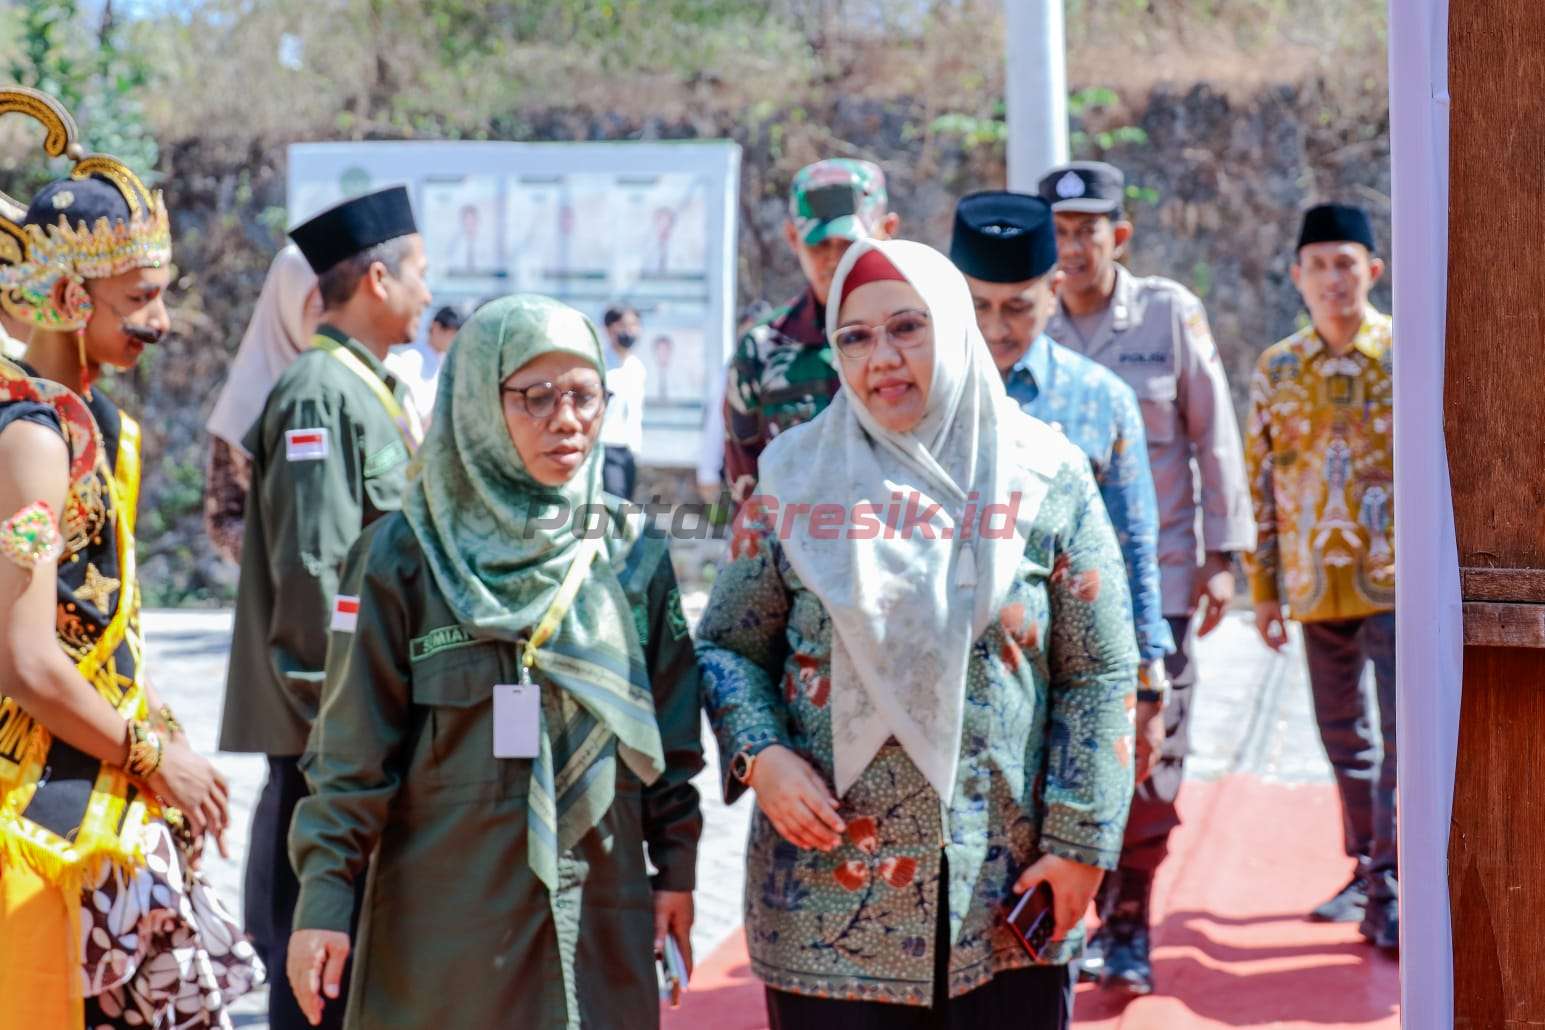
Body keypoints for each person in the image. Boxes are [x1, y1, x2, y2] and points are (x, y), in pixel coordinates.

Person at [699, 239, 1138, 1028]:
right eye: (854, 338)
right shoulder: (792, 479)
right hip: (825, 901)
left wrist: (1079, 843)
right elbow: (727, 644)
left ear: (953, 330)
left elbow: (1099, 670)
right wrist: (760, 756)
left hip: (1004, 885)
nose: (882, 359)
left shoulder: (1043, 474)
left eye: (908, 328)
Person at [286, 295, 704, 1029]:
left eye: (584, 395)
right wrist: (324, 900)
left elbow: (670, 733)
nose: (567, 420)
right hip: (449, 934)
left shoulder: (628, 549)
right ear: (478, 401)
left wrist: (675, 870)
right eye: (534, 398)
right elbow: (350, 751)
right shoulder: (403, 555)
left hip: (598, 910)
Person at [0, 85, 261, 1027]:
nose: (160, 321)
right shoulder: (30, 440)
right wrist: (158, 757)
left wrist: (159, 734)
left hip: (105, 779)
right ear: (68, 295)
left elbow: (95, 620)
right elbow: (26, 659)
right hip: (41, 806)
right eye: (139, 298)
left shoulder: (99, 424)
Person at [1038, 160, 1254, 994]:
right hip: (1055, 589)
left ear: (1116, 236)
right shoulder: (1029, 323)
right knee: (1059, 751)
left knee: (1151, 757)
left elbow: (1214, 435)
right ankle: (1072, 917)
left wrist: (1223, 555)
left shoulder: (1166, 313)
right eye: (1057, 232)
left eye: (1086, 231)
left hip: (1155, 582)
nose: (1071, 248)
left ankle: (1128, 926)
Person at [218, 186, 431, 1030]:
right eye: (418, 274)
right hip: (323, 736)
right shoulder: (318, 390)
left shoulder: (363, 386)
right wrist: (339, 726)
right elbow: (316, 575)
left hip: (345, 734)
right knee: (312, 968)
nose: (426, 294)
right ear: (376, 280)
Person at [950, 189, 1175, 791]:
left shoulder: (1102, 401)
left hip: (1077, 674)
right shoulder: (916, 398)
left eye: (1017, 307)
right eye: (978, 306)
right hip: (947, 683)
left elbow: (1135, 547)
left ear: (1053, 290)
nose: (996, 329)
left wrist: (1148, 682)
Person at [1246, 203, 1396, 951]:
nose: (1333, 279)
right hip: (1313, 581)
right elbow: (1261, 481)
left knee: (1403, 738)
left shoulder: (1409, 353)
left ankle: (1395, 886)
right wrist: (1264, 588)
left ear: (1372, 270)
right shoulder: (1277, 368)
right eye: (1318, 266)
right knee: (1343, 736)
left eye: (1346, 263)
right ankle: (1368, 868)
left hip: (1396, 577)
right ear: (1297, 276)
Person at [723, 158, 900, 505]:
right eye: (819, 245)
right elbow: (747, 490)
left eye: (848, 243)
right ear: (792, 237)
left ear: (887, 230)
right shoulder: (762, 349)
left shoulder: (917, 338)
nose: (834, 260)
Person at [204, 245, 322, 565]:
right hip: (275, 593)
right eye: (317, 307)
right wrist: (285, 552)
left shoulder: (340, 385)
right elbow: (222, 519)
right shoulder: (247, 400)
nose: (327, 321)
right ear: (288, 306)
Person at [385, 302, 465, 423]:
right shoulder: (410, 359)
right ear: (436, 328)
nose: (455, 340)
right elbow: (418, 410)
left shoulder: (450, 362)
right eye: (452, 333)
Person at [599, 303, 645, 500]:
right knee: (613, 502)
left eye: (635, 325)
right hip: (605, 447)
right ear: (610, 329)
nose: (630, 331)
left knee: (626, 503)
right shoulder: (599, 364)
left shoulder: (637, 367)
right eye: (625, 325)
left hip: (629, 450)